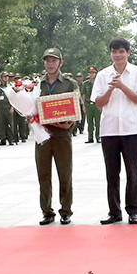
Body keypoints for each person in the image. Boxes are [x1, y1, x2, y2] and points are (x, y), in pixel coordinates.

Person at [92, 37, 137, 225]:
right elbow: (98, 103)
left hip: (131, 129)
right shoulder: (103, 75)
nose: (118, 55)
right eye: (114, 51)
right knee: (112, 173)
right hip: (109, 130)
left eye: (121, 51)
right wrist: (111, 89)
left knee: (132, 172)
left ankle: (133, 210)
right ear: (110, 53)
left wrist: (122, 86)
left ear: (128, 53)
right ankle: (114, 211)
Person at [35, 48, 78, 226]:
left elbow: (76, 106)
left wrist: (69, 123)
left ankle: (66, 211)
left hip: (62, 135)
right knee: (43, 174)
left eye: (54, 61)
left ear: (60, 63)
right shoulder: (37, 85)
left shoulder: (69, 83)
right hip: (42, 135)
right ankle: (47, 211)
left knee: (64, 173)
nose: (50, 64)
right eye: (47, 61)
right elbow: (31, 106)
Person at [82, 67, 100, 144]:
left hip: (96, 104)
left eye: (93, 73)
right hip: (88, 104)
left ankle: (98, 137)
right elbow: (83, 95)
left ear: (96, 74)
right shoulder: (85, 84)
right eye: (90, 73)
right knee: (89, 122)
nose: (91, 74)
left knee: (98, 122)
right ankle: (90, 137)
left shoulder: (98, 83)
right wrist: (83, 105)